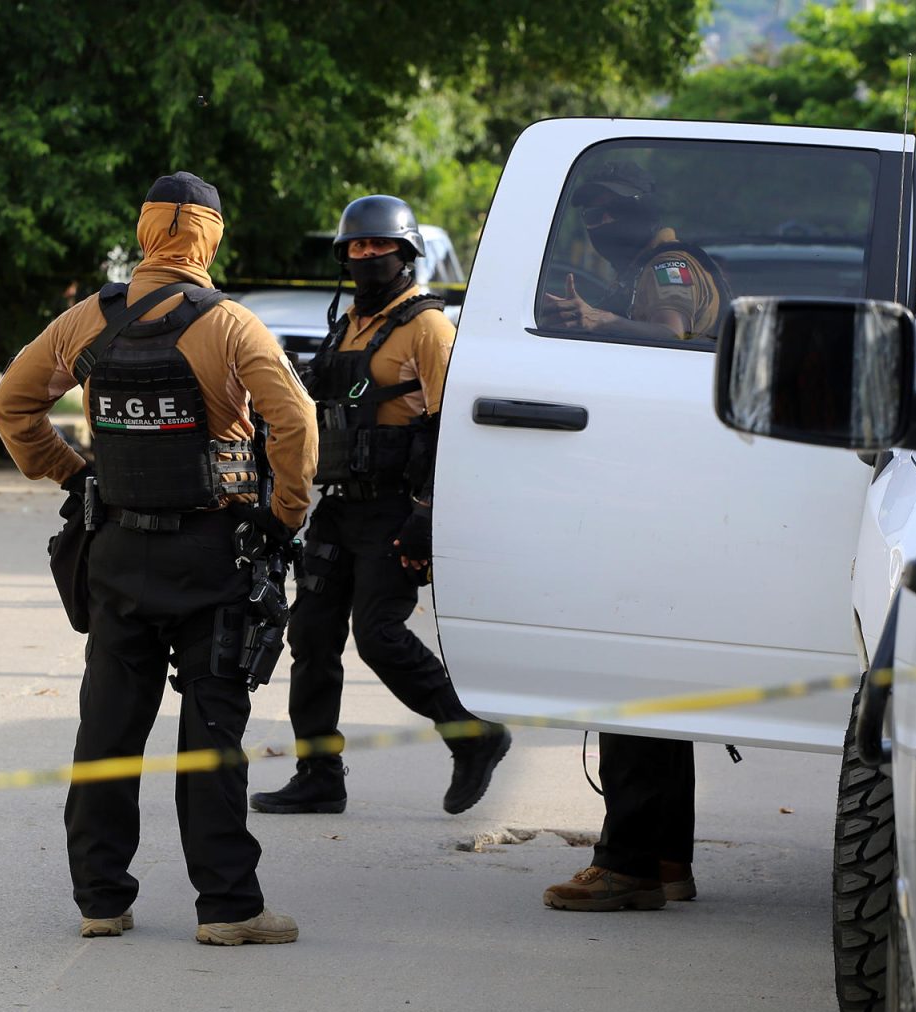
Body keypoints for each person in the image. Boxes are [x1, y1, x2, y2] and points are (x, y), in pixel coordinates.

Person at [0, 171, 317, 945]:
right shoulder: (231, 325)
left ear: (145, 232)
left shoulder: (88, 321)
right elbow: (294, 422)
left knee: (107, 728)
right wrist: (282, 517)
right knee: (211, 734)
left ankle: (101, 899)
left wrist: (74, 475)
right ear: (210, 236)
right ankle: (229, 910)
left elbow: (12, 404)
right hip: (215, 556)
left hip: (117, 554)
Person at [249, 194, 511, 818]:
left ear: (405, 253)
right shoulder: (348, 323)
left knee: (379, 635)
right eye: (357, 248)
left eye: (380, 246)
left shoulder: (427, 327)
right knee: (310, 635)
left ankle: (472, 735)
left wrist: (427, 514)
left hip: (397, 506)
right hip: (339, 505)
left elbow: (450, 429)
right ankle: (318, 774)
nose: (367, 256)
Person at [537, 162, 727, 911]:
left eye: (608, 210)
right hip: (671, 491)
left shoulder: (669, 266)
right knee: (653, 691)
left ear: (643, 209)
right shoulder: (654, 263)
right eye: (587, 214)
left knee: (630, 687)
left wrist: (600, 324)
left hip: (659, 498)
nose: (596, 225)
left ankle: (627, 867)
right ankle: (667, 863)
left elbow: (673, 338)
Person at [538, 160, 727, 344]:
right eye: (594, 214)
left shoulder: (668, 265)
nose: (606, 221)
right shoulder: (635, 270)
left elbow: (673, 334)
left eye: (619, 209)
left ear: (647, 209)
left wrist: (599, 320)